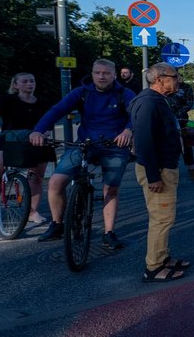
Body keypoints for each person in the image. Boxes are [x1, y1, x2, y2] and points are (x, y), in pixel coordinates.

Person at [29, 59, 135, 248]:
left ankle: (109, 232)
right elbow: (57, 110)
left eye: (106, 73)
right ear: (92, 74)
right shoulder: (82, 92)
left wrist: (128, 130)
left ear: (114, 75)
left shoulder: (124, 94)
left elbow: (136, 114)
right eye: (97, 72)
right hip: (85, 143)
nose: (101, 76)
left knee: (110, 188)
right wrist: (39, 130)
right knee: (55, 182)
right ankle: (57, 224)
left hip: (114, 145)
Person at [129, 63, 188, 282]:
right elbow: (144, 141)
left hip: (164, 167)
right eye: (175, 76)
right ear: (160, 79)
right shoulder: (148, 103)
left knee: (165, 217)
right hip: (158, 171)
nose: (178, 80)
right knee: (161, 219)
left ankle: (162, 257)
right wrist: (153, 176)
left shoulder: (156, 100)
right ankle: (153, 267)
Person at [0, 72, 53, 223]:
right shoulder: (8, 100)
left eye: (32, 81)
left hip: (37, 141)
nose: (29, 84)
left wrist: (48, 129)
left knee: (36, 177)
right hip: (11, 140)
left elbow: (50, 118)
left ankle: (32, 212)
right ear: (16, 85)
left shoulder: (43, 102)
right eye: (24, 81)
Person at [167, 72, 194, 181]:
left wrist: (180, 112)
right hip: (168, 119)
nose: (176, 79)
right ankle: (171, 169)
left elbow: (190, 102)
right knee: (170, 145)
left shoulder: (186, 87)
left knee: (187, 144)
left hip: (182, 118)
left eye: (178, 77)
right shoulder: (167, 87)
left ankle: (191, 168)